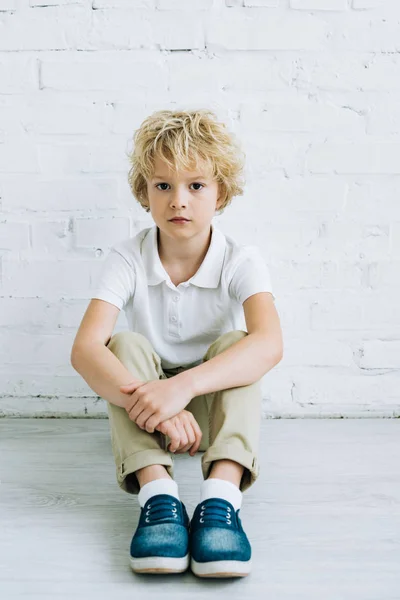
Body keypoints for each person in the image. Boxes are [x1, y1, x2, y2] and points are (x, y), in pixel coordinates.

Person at [70, 109, 283, 579]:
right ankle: (158, 495)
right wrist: (163, 403)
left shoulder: (241, 258)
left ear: (221, 193)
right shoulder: (128, 256)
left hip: (206, 412)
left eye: (196, 185)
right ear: (144, 194)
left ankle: (221, 498)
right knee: (120, 344)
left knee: (240, 342)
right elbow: (84, 350)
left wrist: (182, 389)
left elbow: (269, 344)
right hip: (150, 414)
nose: (178, 201)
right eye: (162, 185)